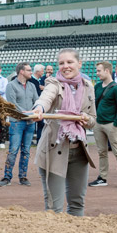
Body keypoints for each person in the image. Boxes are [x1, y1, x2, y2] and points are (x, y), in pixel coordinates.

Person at [29, 49, 96, 216]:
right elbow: (45, 98)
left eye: (70, 62)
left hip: (79, 151)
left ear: (79, 64)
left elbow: (93, 120)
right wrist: (39, 108)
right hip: (54, 150)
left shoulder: (88, 87)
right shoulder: (53, 84)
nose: (65, 66)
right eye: (61, 63)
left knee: (77, 204)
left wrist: (86, 119)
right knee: (54, 208)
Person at [89, 61, 117, 190]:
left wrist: (116, 123)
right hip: (98, 124)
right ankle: (102, 177)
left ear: (107, 71)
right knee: (101, 152)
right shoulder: (98, 87)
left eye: (99, 71)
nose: (97, 73)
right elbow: (94, 104)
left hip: (112, 124)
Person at [0, 62, 38, 187]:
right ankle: (7, 177)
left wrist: (34, 111)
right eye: (29, 70)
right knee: (13, 150)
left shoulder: (32, 86)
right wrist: (27, 113)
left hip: (30, 122)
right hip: (17, 122)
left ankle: (23, 176)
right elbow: (12, 104)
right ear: (21, 71)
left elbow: (37, 101)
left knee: (26, 151)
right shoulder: (11, 85)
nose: (31, 72)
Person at [33, 64, 48, 144]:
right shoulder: (32, 80)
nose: (43, 72)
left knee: (40, 123)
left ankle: (39, 140)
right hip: (34, 105)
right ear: (38, 71)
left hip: (40, 104)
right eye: (42, 71)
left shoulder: (39, 80)